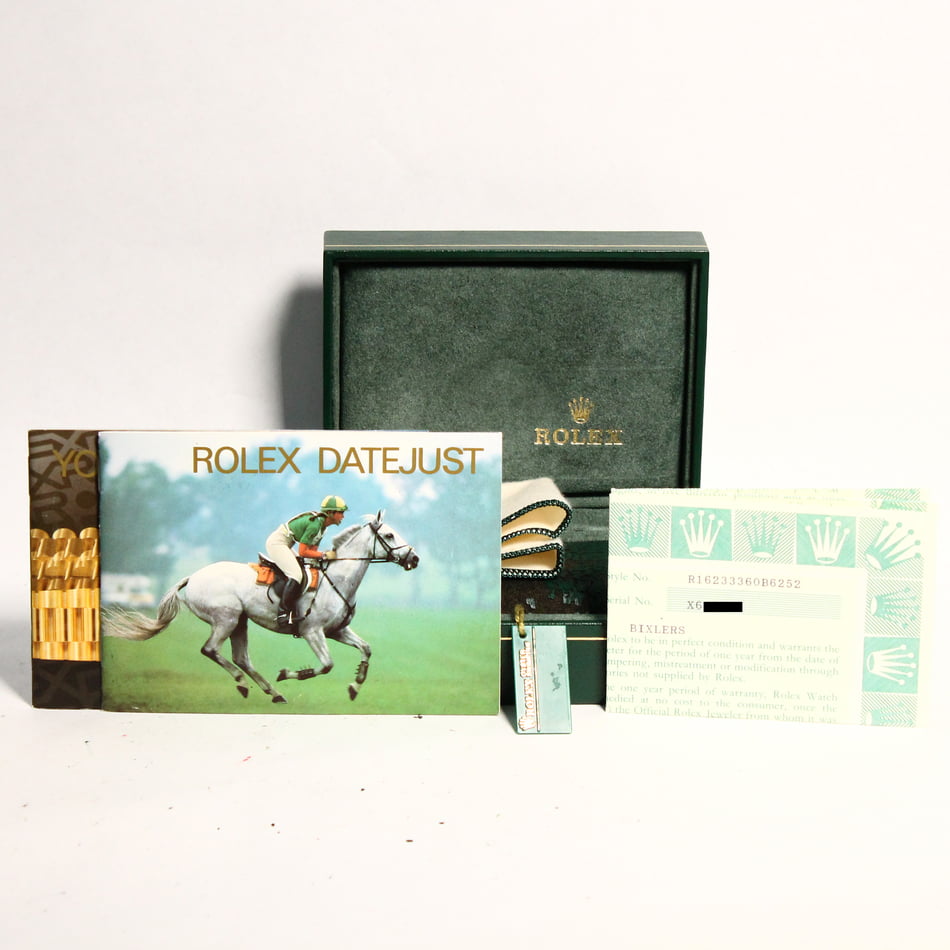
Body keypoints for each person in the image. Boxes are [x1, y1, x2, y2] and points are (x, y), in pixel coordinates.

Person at [265, 495, 348, 629]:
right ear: (330, 513)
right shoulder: (315, 525)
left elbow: (312, 550)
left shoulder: (323, 527)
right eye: (341, 512)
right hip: (277, 543)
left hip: (286, 544)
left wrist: (323, 556)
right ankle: (282, 614)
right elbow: (303, 552)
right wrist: (324, 555)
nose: (343, 516)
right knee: (296, 575)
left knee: (304, 570)